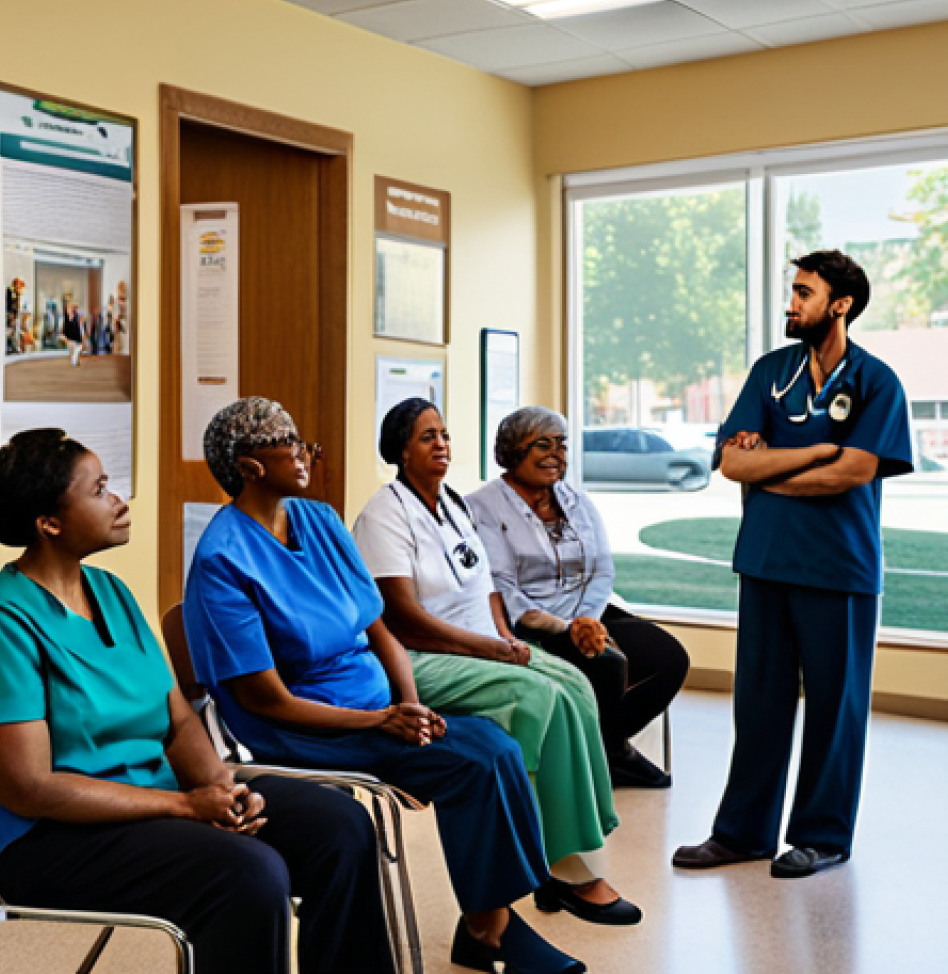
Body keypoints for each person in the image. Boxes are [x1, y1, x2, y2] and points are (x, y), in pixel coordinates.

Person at [0, 428, 396, 974]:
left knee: (340, 826)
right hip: (50, 840)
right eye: (99, 491)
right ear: (49, 523)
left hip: (155, 804)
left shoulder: (112, 592)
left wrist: (221, 787)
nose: (118, 501)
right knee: (249, 872)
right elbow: (28, 788)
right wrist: (186, 806)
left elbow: (178, 720)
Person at [184, 397, 586, 974]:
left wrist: (410, 706)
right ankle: (490, 933)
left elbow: (382, 631)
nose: (305, 453)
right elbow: (262, 699)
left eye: (303, 441)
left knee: (496, 747)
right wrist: (378, 721)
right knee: (473, 761)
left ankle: (491, 921)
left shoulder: (318, 520)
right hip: (297, 727)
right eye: (289, 443)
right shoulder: (223, 559)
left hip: (375, 708)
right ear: (249, 466)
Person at [673, 250, 913, 879]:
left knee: (835, 709)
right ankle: (742, 833)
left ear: (841, 304)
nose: (792, 303)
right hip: (765, 561)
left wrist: (775, 461)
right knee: (758, 702)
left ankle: (821, 835)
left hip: (839, 568)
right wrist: (815, 455)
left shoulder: (876, 382)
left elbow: (856, 471)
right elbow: (733, 464)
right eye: (793, 291)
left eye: (805, 293)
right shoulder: (770, 372)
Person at [354, 398, 639, 927]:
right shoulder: (384, 514)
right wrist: (490, 650)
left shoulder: (453, 504)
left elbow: (485, 587)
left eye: (443, 433)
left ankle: (576, 842)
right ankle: (556, 861)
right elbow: (404, 620)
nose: (441, 444)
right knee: (537, 696)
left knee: (574, 682)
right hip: (423, 657)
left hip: (481, 642)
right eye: (426, 437)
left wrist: (505, 636)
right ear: (399, 450)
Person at [467, 406, 690, 791]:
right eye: (543, 444)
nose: (557, 454)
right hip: (531, 620)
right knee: (607, 665)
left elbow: (602, 569)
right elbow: (502, 583)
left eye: (562, 444)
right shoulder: (482, 506)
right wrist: (565, 628)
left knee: (669, 658)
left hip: (590, 613)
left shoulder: (576, 500)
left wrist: (589, 621)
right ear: (512, 451)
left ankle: (600, 752)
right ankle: (614, 756)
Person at [61, 301, 85, 366]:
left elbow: (79, 325)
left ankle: (75, 361)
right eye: (68, 308)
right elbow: (65, 327)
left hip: (75, 336)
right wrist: (64, 335)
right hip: (71, 336)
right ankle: (75, 360)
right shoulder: (67, 317)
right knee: (73, 350)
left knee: (77, 349)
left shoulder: (76, 316)